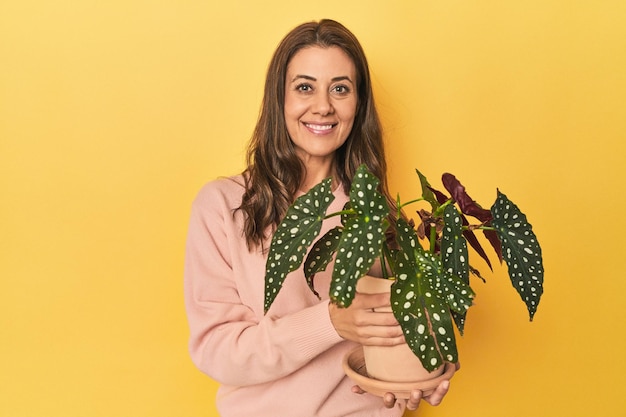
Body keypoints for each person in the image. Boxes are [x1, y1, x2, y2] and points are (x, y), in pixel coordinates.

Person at [184, 19, 454, 417]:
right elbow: (216, 350)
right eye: (305, 87)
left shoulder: (375, 215)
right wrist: (330, 322)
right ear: (280, 99)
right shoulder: (223, 206)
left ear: (358, 104)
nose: (323, 105)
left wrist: (421, 372)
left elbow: (394, 330)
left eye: (340, 88)